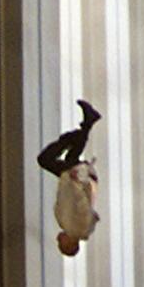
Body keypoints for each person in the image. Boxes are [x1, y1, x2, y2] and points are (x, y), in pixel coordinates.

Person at [37, 99, 102, 257]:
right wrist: (76, 183)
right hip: (76, 180)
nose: (59, 240)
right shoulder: (77, 228)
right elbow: (82, 206)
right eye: (62, 244)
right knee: (46, 159)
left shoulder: (68, 225)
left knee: (70, 156)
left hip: (73, 179)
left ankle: (85, 126)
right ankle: (83, 128)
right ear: (70, 244)